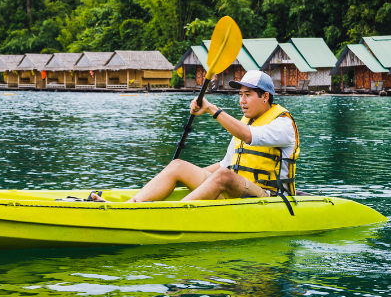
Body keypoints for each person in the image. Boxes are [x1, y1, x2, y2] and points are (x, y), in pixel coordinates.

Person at [92, 70, 299, 202]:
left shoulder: (283, 124)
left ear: (265, 97)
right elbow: (224, 165)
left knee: (224, 176)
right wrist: (188, 176)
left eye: (248, 95)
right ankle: (130, 206)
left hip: (269, 197)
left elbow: (248, 137)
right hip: (235, 188)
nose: (242, 101)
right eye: (240, 95)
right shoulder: (246, 121)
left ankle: (171, 215)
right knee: (178, 166)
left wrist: (212, 109)